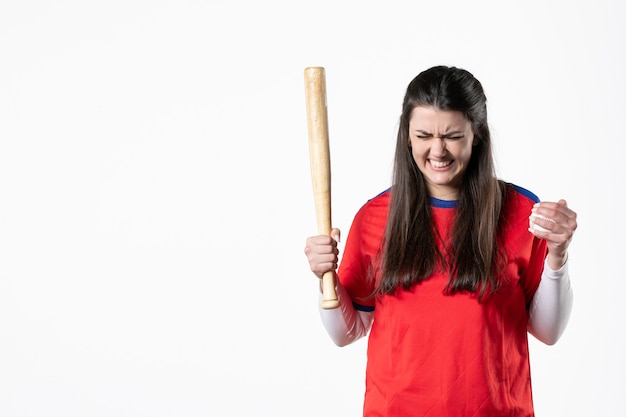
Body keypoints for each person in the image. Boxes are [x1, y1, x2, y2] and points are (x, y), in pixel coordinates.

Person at [303, 65, 577, 417]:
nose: (438, 150)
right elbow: (346, 332)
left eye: (452, 136)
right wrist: (325, 276)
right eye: (423, 135)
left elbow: (549, 331)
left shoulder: (523, 212)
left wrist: (558, 255)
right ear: (407, 136)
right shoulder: (374, 217)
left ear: (476, 134)